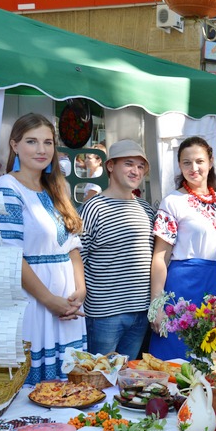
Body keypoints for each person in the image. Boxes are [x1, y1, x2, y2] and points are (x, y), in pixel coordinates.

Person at [0, 113, 86, 385]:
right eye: (32, 142)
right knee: (37, 389)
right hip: (34, 302)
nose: (42, 150)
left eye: (48, 142)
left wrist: (80, 291)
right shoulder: (6, 188)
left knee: (71, 386)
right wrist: (49, 300)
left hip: (68, 302)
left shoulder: (56, 188)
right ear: (14, 145)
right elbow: (10, 256)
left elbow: (72, 247)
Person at [149, 136, 216, 360]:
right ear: (179, 165)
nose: (194, 168)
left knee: (210, 358)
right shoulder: (172, 202)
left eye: (199, 161)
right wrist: (157, 305)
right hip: (180, 288)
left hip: (214, 287)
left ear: (211, 162)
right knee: (175, 358)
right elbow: (160, 257)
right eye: (186, 162)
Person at [79, 140, 154, 360]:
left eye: (141, 166)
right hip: (104, 314)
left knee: (125, 382)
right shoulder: (94, 207)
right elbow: (78, 258)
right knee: (98, 379)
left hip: (140, 312)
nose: (136, 171)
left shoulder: (146, 208)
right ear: (110, 166)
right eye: (129, 164)